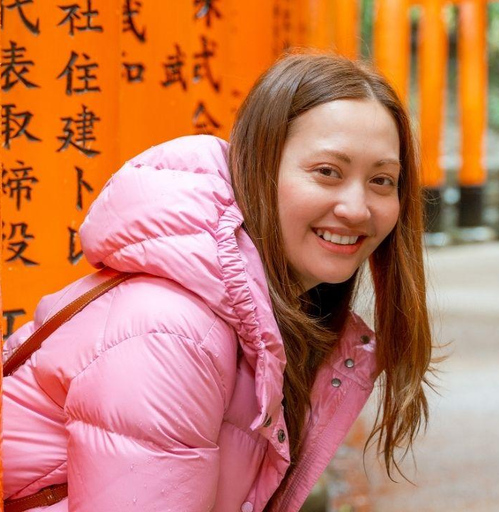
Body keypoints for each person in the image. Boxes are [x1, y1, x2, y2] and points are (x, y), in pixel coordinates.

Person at [1, 52, 434, 512]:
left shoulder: (276, 319)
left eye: (382, 181)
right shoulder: (174, 335)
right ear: (258, 166)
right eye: (328, 172)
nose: (357, 207)